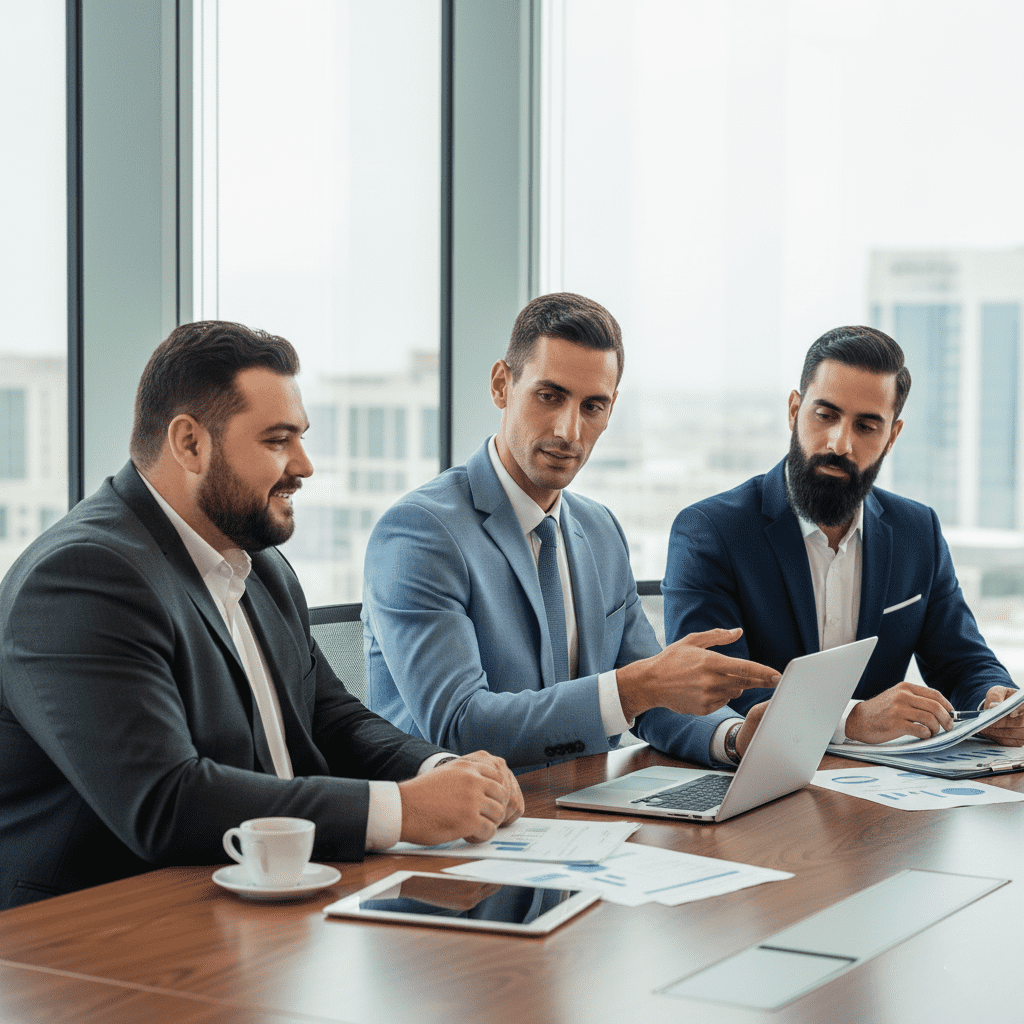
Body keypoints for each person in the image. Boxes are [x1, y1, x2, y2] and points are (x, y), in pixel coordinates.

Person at [0, 321, 523, 910]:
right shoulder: (84, 577)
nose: (304, 464)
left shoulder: (259, 564)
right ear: (190, 444)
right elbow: (166, 802)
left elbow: (332, 718)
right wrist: (403, 809)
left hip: (266, 904)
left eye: (300, 437)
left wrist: (442, 770)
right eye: (277, 441)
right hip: (100, 938)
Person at [361, 292, 780, 773]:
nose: (569, 431)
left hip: (584, 810)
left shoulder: (599, 529)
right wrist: (632, 687)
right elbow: (461, 725)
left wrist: (733, 738)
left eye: (592, 407)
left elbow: (654, 697)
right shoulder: (420, 532)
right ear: (502, 385)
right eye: (550, 396)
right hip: (459, 828)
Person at [664, 325, 1023, 747]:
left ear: (892, 436)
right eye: (825, 415)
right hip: (754, 786)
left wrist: (996, 703)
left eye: (866, 426)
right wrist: (849, 720)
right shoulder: (712, 531)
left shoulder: (917, 531)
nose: (840, 443)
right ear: (794, 409)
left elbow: (963, 662)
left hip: (882, 790)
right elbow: (713, 690)